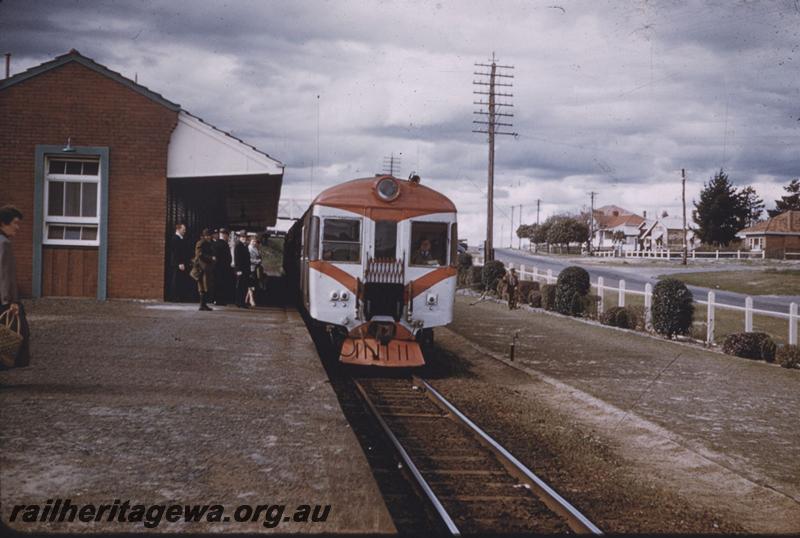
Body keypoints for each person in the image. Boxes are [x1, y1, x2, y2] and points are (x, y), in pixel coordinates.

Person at [0, 205, 30, 368]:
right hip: (4, 300)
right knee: (13, 335)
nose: (17, 228)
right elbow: (4, 275)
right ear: (3, 223)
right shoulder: (4, 244)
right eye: (15, 223)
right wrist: (10, 302)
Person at [191, 228, 216, 311]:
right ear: (204, 236)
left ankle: (203, 305)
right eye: (208, 236)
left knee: (205, 286)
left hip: (206, 267)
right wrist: (211, 258)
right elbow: (199, 254)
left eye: (209, 235)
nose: (209, 237)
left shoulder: (208, 243)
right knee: (202, 286)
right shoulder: (201, 243)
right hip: (201, 268)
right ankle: (202, 305)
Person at [168, 222, 194, 302]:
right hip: (178, 263)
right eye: (183, 229)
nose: (184, 231)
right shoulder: (175, 238)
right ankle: (174, 297)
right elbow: (176, 252)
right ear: (178, 229)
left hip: (180, 263)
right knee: (176, 280)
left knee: (179, 280)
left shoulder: (180, 238)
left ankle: (178, 296)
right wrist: (180, 263)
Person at [211, 228, 234, 305]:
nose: (228, 237)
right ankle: (220, 300)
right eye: (227, 235)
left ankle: (216, 299)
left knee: (216, 284)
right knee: (222, 284)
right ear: (225, 235)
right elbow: (227, 258)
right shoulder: (225, 244)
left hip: (216, 268)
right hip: (224, 268)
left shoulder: (214, 243)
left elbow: (214, 257)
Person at [233, 230, 251, 308]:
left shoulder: (245, 246)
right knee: (240, 286)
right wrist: (238, 270)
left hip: (245, 270)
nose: (244, 238)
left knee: (244, 286)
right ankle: (238, 302)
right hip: (240, 269)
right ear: (240, 237)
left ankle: (242, 301)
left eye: (245, 237)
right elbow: (237, 259)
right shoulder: (238, 246)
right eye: (243, 237)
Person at [245, 236, 263, 307]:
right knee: (250, 284)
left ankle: (246, 299)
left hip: (255, 268)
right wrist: (257, 261)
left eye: (255, 241)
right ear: (250, 241)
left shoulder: (255, 248)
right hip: (250, 268)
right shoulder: (249, 249)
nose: (254, 243)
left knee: (252, 284)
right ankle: (251, 299)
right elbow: (248, 260)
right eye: (253, 241)